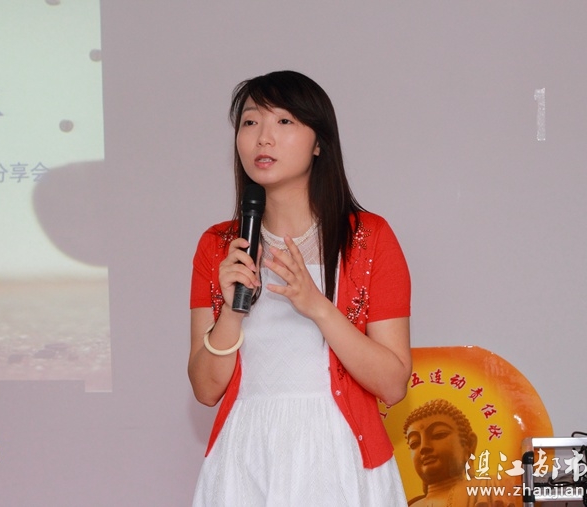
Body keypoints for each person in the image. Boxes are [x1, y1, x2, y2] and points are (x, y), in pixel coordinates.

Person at [188, 70, 412, 506]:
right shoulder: (218, 246)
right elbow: (205, 388)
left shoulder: (368, 239)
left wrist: (318, 307)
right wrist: (232, 311)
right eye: (250, 122)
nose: (263, 137)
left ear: (319, 142)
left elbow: (392, 384)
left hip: (340, 457)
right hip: (245, 459)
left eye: (284, 121)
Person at [403, 399, 515, 507]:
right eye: (414, 443)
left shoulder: (487, 489)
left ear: (469, 445)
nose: (424, 447)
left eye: (439, 434)